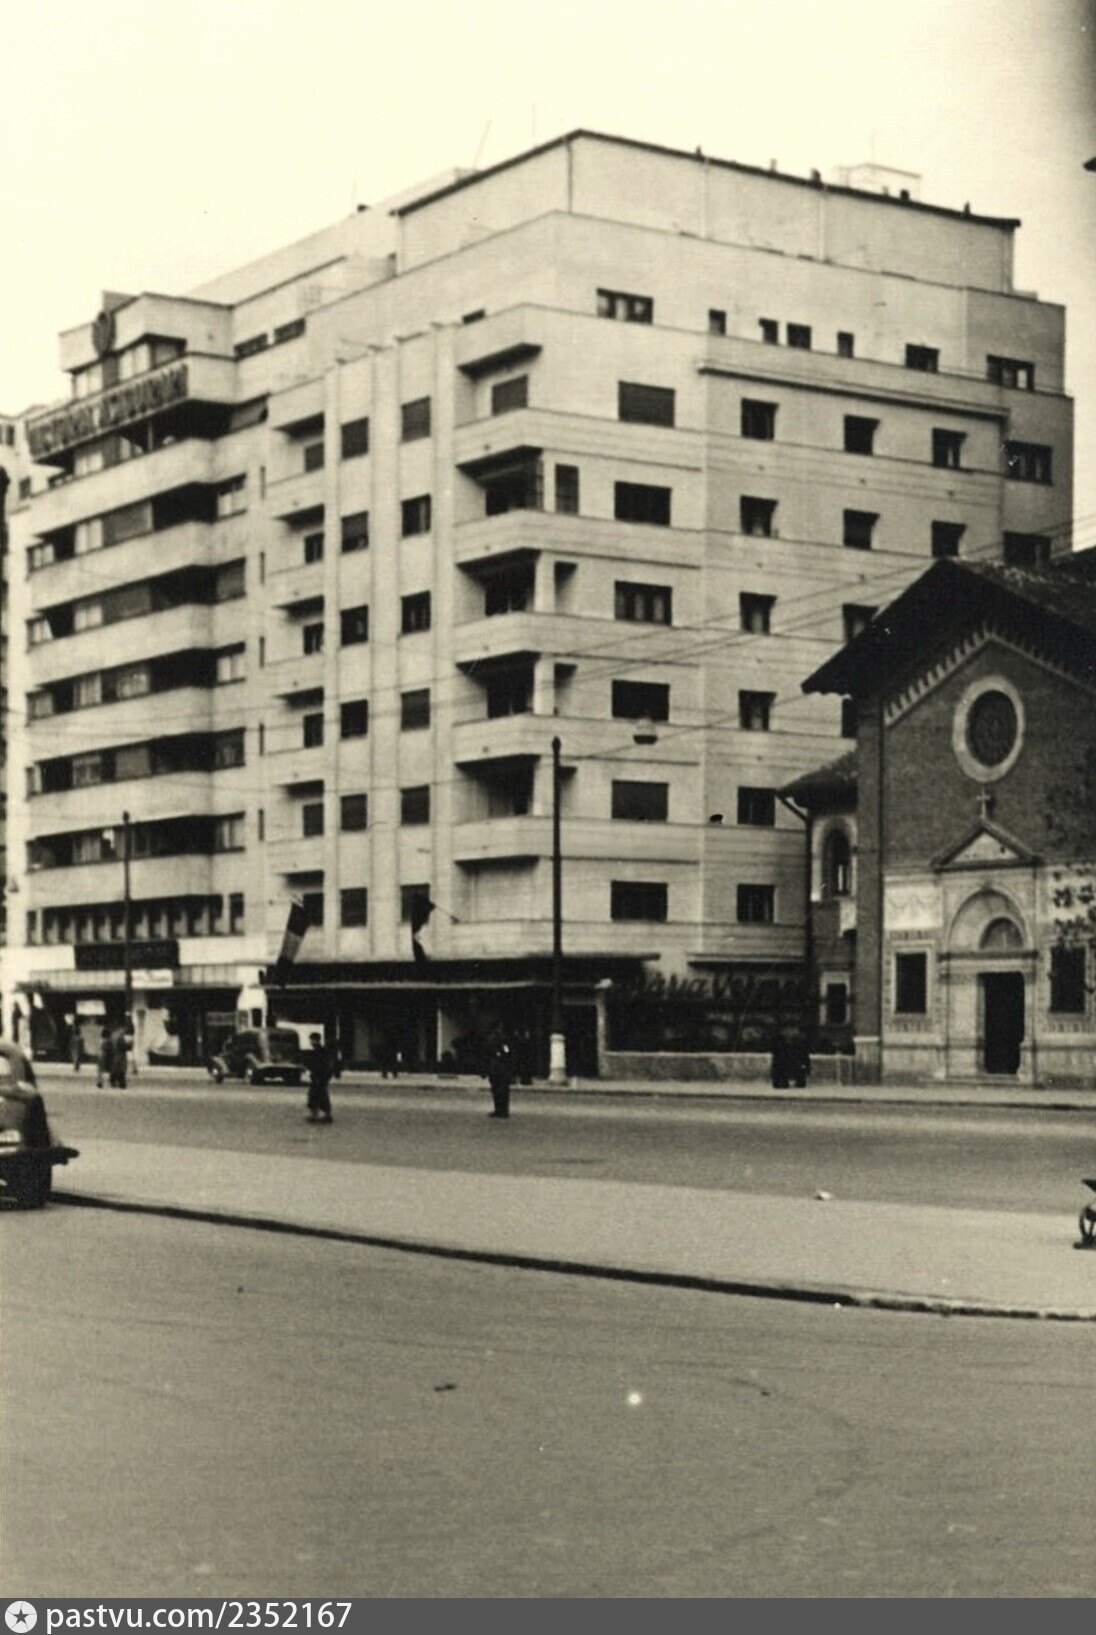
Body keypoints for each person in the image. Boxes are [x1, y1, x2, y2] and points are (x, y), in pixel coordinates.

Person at [306, 1032, 333, 1123]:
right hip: (321, 1076)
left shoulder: (318, 1051)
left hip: (319, 1076)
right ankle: (326, 1114)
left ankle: (315, 1115)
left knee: (315, 1095)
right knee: (322, 1095)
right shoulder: (321, 1051)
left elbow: (319, 1065)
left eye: (312, 1040)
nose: (311, 1042)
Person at [485, 1034, 514, 1119]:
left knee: (502, 1092)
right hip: (496, 1072)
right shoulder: (495, 1049)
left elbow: (507, 1055)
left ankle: (503, 1111)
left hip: (502, 1072)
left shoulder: (504, 1047)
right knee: (496, 1092)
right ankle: (499, 1110)